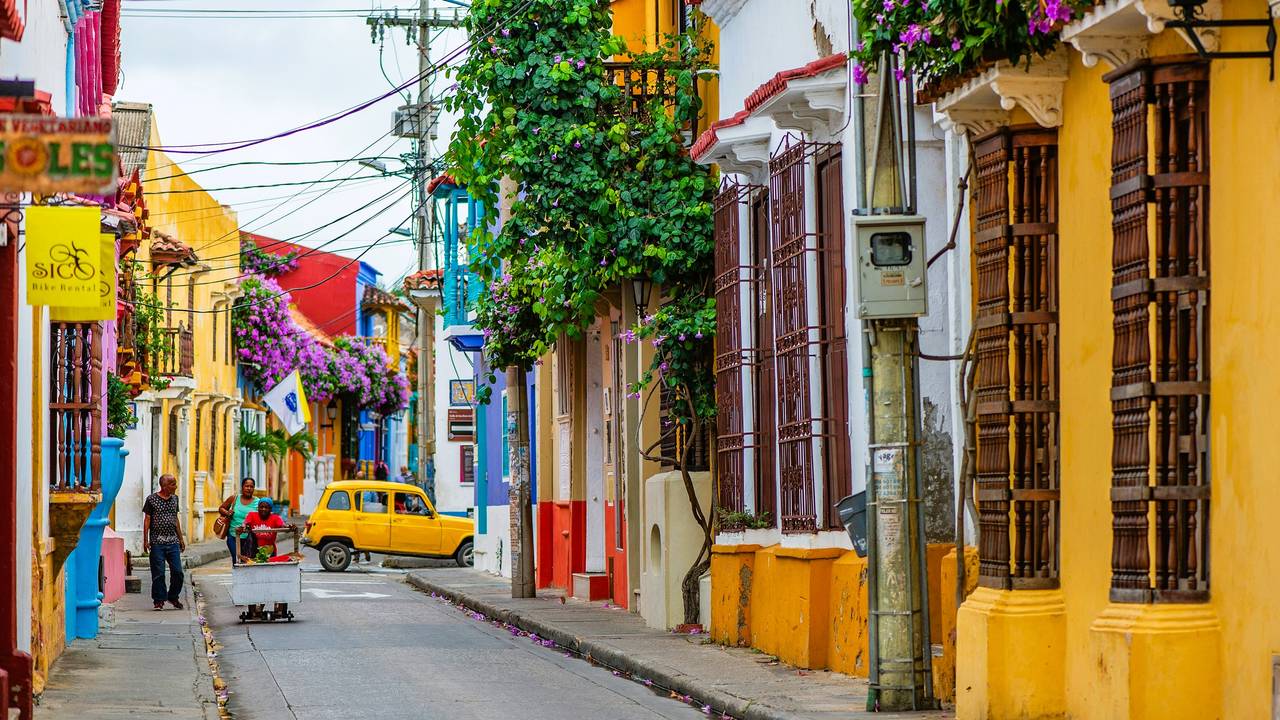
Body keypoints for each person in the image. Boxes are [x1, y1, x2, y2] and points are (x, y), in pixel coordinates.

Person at [142, 474, 186, 611]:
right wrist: (145, 540)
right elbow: (147, 520)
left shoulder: (175, 499)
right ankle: (159, 600)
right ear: (164, 486)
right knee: (158, 573)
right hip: (157, 542)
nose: (176, 486)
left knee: (178, 572)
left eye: (175, 483)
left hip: (172, 541)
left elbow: (175, 519)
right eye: (173, 484)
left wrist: (181, 538)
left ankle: (173, 596)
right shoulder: (151, 499)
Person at [218, 477, 258, 565]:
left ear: (254, 488)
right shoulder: (234, 498)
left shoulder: (257, 502)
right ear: (242, 487)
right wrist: (227, 513)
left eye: (251, 486)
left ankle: (246, 578)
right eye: (246, 486)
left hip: (249, 538)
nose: (249, 488)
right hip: (233, 536)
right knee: (236, 559)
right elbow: (221, 508)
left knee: (248, 561)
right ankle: (237, 578)